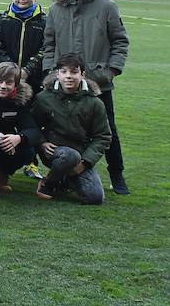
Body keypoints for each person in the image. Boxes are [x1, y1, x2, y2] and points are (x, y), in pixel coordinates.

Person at [41, 0, 129, 194]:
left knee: (108, 130)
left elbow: (120, 41)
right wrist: (51, 73)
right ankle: (60, 173)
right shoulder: (55, 9)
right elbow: (48, 45)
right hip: (63, 83)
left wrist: (110, 71)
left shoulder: (107, 7)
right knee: (59, 128)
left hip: (98, 82)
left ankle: (117, 175)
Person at [29, 53, 110, 204]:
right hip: (53, 151)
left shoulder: (95, 103)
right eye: (64, 71)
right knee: (69, 156)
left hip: (81, 155)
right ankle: (48, 184)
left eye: (74, 72)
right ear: (57, 74)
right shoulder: (43, 98)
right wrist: (42, 142)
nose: (69, 76)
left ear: (82, 74)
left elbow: (103, 136)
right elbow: (31, 125)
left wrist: (85, 163)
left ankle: (64, 179)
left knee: (95, 198)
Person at [0, 62, 40, 191]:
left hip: (4, 145)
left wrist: (18, 138)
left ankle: (1, 173)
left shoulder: (19, 103)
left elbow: (33, 131)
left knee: (28, 151)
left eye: (9, 83)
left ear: (16, 85)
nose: (3, 86)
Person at [0, 0, 46, 96]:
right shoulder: (2, 19)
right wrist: (11, 71)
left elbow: (45, 48)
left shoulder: (44, 21)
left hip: (34, 78)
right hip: (6, 77)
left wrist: (27, 70)